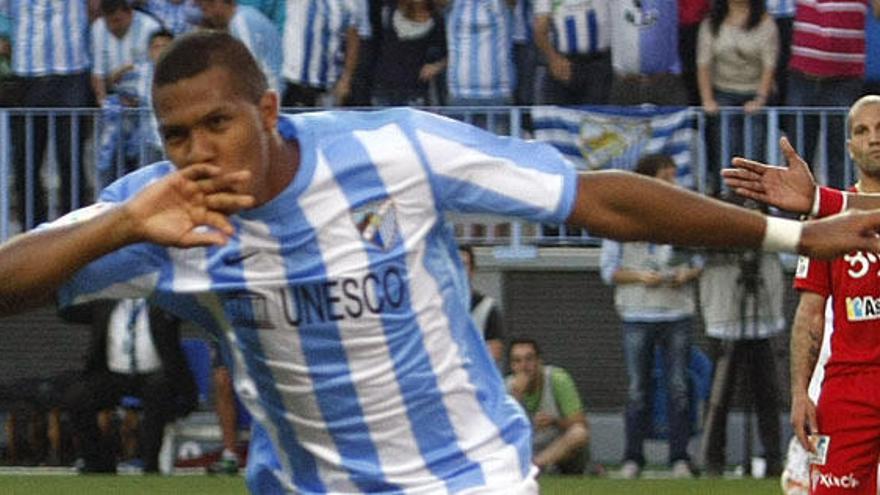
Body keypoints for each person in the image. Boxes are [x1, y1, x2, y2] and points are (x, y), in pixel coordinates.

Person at [1, 32, 880, 493]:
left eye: (218, 124)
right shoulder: (156, 209)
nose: (199, 152)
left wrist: (794, 236)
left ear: (268, 109)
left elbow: (600, 196)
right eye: (177, 136)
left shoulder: (395, 151)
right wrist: (119, 228)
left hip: (469, 479)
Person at [725, 95, 880, 494]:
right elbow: (810, 311)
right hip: (851, 385)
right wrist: (800, 393)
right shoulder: (826, 221)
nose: (873, 139)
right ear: (849, 147)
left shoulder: (826, 208)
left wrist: (818, 199)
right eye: (862, 131)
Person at [600, 154, 703, 479]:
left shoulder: (684, 212)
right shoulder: (621, 216)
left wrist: (687, 273)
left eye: (674, 177)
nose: (672, 184)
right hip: (637, 311)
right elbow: (608, 270)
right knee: (637, 388)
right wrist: (640, 277)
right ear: (647, 178)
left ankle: (680, 458)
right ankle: (632, 457)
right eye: (666, 177)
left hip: (676, 310)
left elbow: (700, 257)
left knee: (679, 387)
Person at [61, 298, 198, 473]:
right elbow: (67, 313)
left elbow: (191, 309)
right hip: (114, 375)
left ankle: (150, 464)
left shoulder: (164, 305)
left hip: (154, 375)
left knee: (158, 390)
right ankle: (98, 461)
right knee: (77, 397)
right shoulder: (104, 304)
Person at [698, 224, 785, 478]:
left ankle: (773, 458)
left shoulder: (772, 214)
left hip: (763, 317)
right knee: (718, 396)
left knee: (767, 393)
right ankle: (713, 458)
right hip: (724, 315)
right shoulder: (714, 216)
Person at [2, 0, 93, 230]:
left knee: (71, 158)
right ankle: (32, 233)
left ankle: (75, 232)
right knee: (25, 160)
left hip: (72, 71)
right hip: (26, 74)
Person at [697, 0, 778, 188]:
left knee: (754, 151)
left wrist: (760, 99)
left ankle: (754, 198)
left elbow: (769, 65)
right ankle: (725, 196)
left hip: (754, 93)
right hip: (723, 92)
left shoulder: (766, 23)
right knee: (725, 150)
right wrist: (707, 99)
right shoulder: (710, 23)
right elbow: (703, 64)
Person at [506, 338, 589, 474]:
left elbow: (581, 425)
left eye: (529, 359)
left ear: (539, 362)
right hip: (529, 447)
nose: (524, 366)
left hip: (559, 449)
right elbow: (502, 434)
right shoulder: (507, 388)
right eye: (517, 361)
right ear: (512, 366)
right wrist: (516, 398)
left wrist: (554, 421)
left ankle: (533, 467)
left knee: (578, 433)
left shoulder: (557, 380)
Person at [533, 0, 612, 105]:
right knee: (563, 115)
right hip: (565, 64)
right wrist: (553, 59)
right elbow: (540, 30)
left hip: (599, 64)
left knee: (595, 116)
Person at [195, 0, 283, 94]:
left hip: (270, 93)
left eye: (206, 6)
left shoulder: (241, 21)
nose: (206, 14)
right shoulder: (243, 16)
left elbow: (248, 69)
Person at [91, 0, 162, 106]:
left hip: (147, 97)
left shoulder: (150, 28)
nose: (112, 27)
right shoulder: (98, 28)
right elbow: (98, 76)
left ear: (130, 13)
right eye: (108, 22)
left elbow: (159, 70)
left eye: (117, 21)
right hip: (115, 99)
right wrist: (105, 105)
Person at [458, 245, 505, 365]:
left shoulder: (488, 309)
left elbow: (493, 356)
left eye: (463, 265)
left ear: (472, 271)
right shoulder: (434, 307)